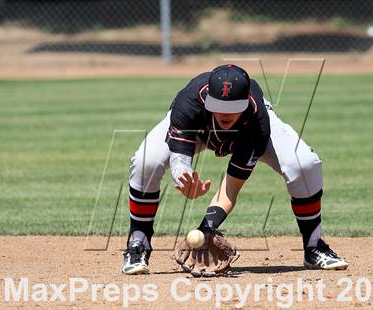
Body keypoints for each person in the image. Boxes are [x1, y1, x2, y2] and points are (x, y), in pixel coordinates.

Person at [122, 64, 348, 275]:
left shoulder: (258, 121)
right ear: (208, 99)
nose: (225, 114)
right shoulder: (188, 104)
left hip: (248, 133)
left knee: (304, 164)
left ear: (246, 102)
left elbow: (231, 189)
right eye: (218, 107)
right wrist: (184, 178)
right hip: (200, 130)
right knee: (146, 161)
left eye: (232, 108)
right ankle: (138, 243)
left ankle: (314, 245)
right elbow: (179, 159)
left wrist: (206, 229)